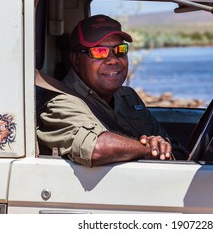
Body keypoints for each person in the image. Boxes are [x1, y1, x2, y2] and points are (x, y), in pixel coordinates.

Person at [36, 14, 188, 167]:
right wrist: (149, 150)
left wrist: (164, 148)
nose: (113, 59)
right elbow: (97, 148)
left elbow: (168, 145)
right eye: (99, 52)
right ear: (76, 60)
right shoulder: (60, 103)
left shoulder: (128, 97)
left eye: (120, 50)